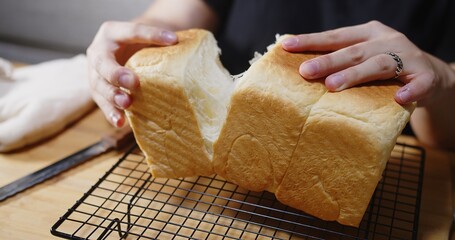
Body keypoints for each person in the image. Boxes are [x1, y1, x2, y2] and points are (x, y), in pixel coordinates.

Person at [86, 0, 455, 150]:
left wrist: (441, 78)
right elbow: (176, 17)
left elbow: (443, 139)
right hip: (208, 186)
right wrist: (135, 37)